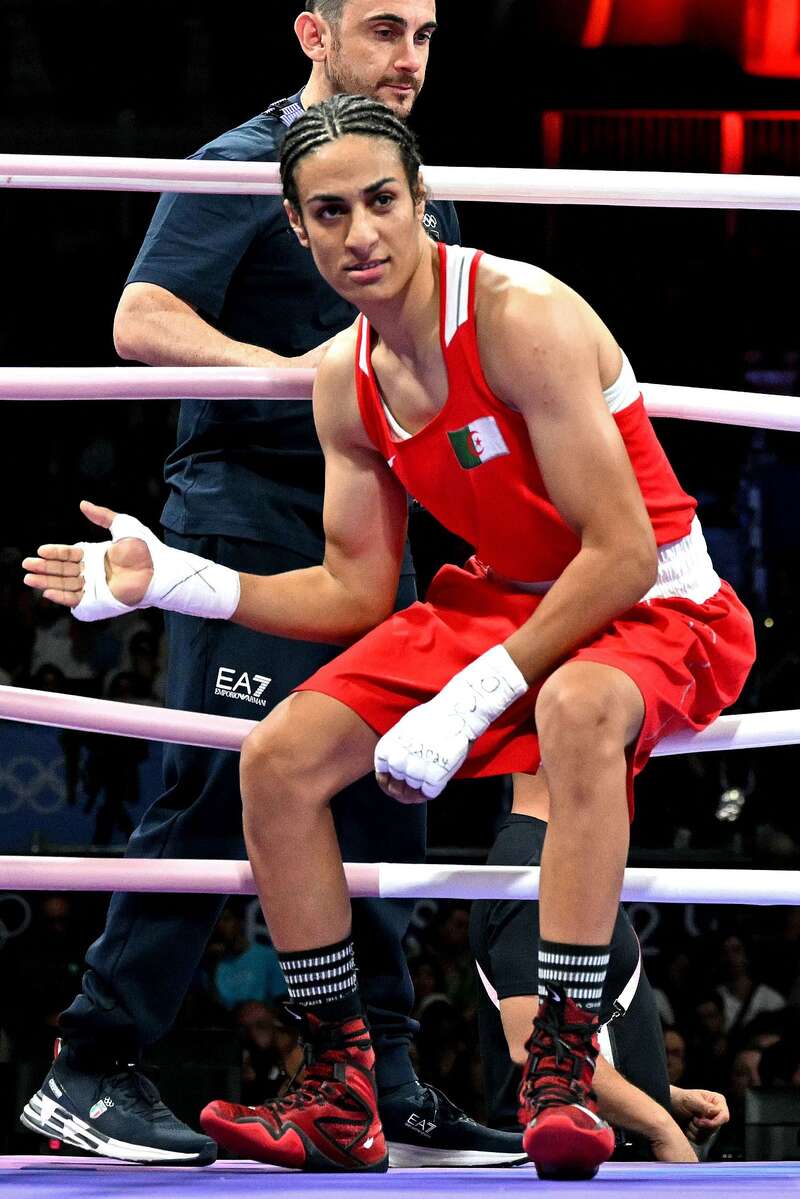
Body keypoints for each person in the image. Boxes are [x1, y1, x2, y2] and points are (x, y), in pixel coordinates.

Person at [22, 93, 756, 1176]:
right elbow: (355, 591)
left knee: (574, 702)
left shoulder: (520, 316)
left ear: (421, 202)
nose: (360, 233)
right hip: (502, 599)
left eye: (380, 201)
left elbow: (620, 553)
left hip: (651, 600)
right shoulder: (344, 378)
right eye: (329, 212)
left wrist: (468, 698)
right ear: (296, 225)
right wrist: (176, 580)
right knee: (277, 756)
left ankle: (559, 1065)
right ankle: (339, 1083)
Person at [20, 1, 524, 1171]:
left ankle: (377, 1075)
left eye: (426, 36)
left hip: (377, 514)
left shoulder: (417, 187)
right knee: (217, 780)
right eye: (384, 30)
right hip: (246, 501)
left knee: (383, 786)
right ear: (313, 34)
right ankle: (88, 1063)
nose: (408, 59)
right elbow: (142, 316)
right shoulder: (245, 164)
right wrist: (296, 378)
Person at [469, 777, 731, 1162]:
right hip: (579, 1160)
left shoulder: (559, 853)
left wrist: (660, 1095)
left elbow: (583, 1031)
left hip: (599, 1153)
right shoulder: (535, 860)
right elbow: (532, 1040)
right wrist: (659, 1124)